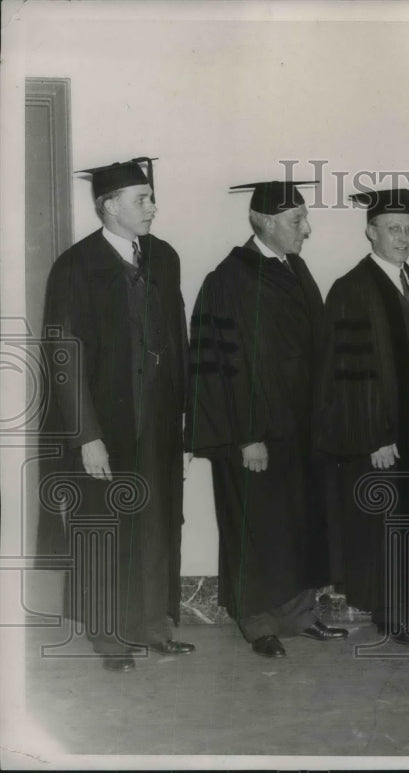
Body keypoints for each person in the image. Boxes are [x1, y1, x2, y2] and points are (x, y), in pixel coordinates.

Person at [41, 157, 193, 672]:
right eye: (141, 200)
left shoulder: (164, 257)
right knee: (104, 525)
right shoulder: (75, 266)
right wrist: (87, 435)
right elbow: (63, 354)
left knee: (156, 522)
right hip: (106, 426)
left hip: (157, 422)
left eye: (150, 198)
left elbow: (179, 339)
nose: (153, 208)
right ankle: (107, 635)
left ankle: (154, 625)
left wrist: (185, 418)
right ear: (108, 206)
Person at [186, 180, 347, 659]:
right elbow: (222, 368)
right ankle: (257, 623)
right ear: (265, 222)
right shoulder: (228, 280)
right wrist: (247, 436)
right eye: (298, 220)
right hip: (253, 436)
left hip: (297, 432)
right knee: (254, 527)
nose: (308, 230)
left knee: (296, 522)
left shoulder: (294, 269)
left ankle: (299, 615)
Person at [314, 187, 409, 646]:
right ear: (370, 231)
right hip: (383, 438)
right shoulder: (352, 288)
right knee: (388, 525)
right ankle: (394, 614)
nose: (403, 237)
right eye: (394, 229)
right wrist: (375, 434)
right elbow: (346, 373)